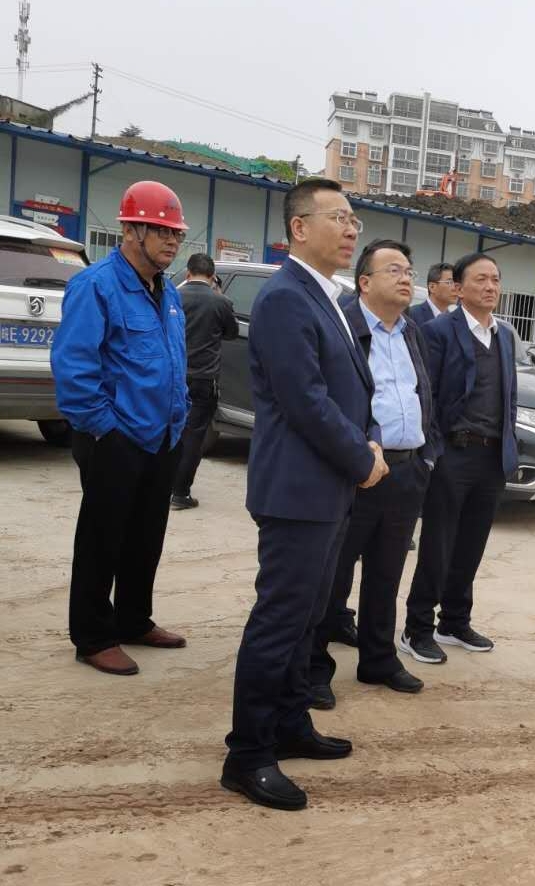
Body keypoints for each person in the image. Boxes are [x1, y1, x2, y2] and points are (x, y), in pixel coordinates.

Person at [222, 179, 388, 812]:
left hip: (327, 487)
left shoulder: (327, 295)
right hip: (297, 490)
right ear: (299, 228)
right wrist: (362, 458)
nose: (350, 229)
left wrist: (368, 444)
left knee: (308, 618)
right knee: (279, 621)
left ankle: (290, 722)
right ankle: (247, 754)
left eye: (353, 219)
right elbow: (305, 401)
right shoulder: (285, 298)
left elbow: (354, 390)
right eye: (338, 217)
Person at [50, 181, 190, 677]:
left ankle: (133, 620)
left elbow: (173, 359)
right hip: (114, 437)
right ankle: (92, 636)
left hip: (163, 436)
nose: (171, 241)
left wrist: (180, 414)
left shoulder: (167, 291)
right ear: (130, 230)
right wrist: (105, 429)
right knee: (102, 538)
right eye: (161, 231)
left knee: (145, 537)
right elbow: (74, 368)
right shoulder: (96, 286)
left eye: (176, 234)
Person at [309, 239, 439, 707]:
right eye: (394, 270)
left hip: (407, 470)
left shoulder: (411, 331)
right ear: (364, 282)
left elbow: (423, 392)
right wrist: (355, 458)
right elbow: (328, 399)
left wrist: (427, 454)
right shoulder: (343, 327)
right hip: (358, 471)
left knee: (386, 573)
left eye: (409, 271)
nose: (406, 278)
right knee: (334, 575)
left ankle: (378, 659)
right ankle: (313, 667)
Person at [399, 253, 517, 665]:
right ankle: (417, 628)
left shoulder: (504, 336)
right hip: (453, 453)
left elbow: (509, 398)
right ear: (459, 287)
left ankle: (454, 621)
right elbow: (425, 395)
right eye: (480, 279)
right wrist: (433, 452)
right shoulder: (438, 332)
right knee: (438, 544)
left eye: (495, 279)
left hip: (491, 457)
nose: (490, 286)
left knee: (471, 545)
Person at [171, 253, 239, 510]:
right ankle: (180, 493)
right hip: (204, 379)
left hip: (174, 376)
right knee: (194, 435)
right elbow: (232, 333)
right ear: (212, 277)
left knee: (170, 431)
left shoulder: (174, 296)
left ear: (188, 273)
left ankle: (162, 484)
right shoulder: (220, 301)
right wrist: (219, 294)